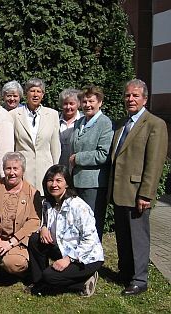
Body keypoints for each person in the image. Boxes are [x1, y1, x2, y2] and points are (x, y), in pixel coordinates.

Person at [108, 79, 168, 296]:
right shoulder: (122, 123)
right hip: (119, 191)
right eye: (127, 95)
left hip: (137, 193)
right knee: (123, 236)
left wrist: (146, 194)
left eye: (135, 95)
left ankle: (139, 279)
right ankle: (125, 273)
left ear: (145, 98)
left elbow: (155, 162)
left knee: (138, 238)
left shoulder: (154, 124)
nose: (130, 99)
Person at [28, 164, 104, 297]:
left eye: (58, 180)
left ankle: (83, 282)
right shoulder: (48, 203)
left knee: (49, 276)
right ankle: (39, 282)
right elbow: (45, 221)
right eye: (50, 180)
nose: (53, 184)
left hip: (85, 258)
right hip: (63, 249)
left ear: (67, 184)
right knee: (35, 239)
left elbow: (90, 239)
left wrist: (69, 259)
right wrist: (43, 227)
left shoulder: (78, 206)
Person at [0, 152, 41, 285]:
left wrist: (11, 243)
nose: (11, 173)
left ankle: (11, 269)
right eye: (8, 168)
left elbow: (34, 221)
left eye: (15, 169)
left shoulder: (32, 193)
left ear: (23, 170)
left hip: (17, 242)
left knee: (14, 263)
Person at [69, 86, 113, 240]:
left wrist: (78, 158)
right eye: (84, 101)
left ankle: (93, 262)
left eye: (91, 101)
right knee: (78, 223)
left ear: (99, 102)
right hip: (77, 182)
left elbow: (104, 154)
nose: (87, 104)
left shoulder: (105, 123)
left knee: (92, 225)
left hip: (93, 184)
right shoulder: (79, 121)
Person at [10, 78, 60, 193]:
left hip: (45, 170)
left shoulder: (52, 115)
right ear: (26, 93)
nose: (35, 94)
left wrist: (55, 171)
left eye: (39, 91)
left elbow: (55, 146)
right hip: (24, 172)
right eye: (32, 91)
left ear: (43, 95)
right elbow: (12, 147)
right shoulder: (13, 115)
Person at [58, 88, 82, 167]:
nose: (68, 107)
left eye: (72, 103)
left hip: (76, 165)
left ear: (78, 104)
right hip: (58, 164)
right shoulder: (55, 119)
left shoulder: (84, 120)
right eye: (65, 104)